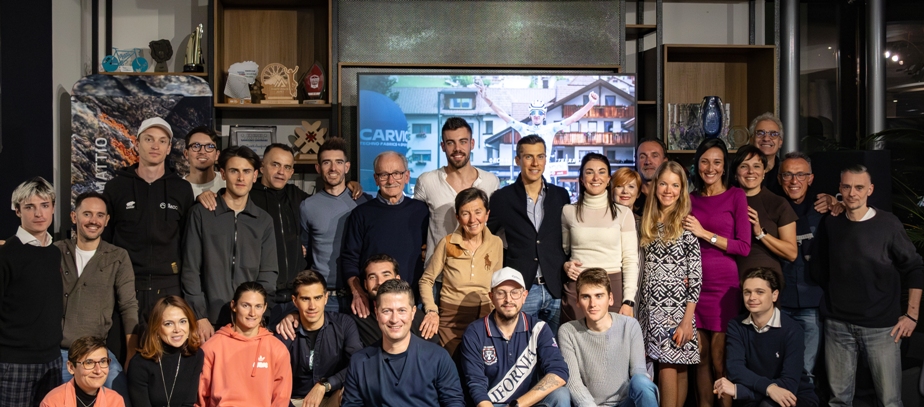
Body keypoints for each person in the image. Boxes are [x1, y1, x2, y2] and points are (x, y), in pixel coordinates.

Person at [810, 165, 922, 407]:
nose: (852, 193)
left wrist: (912, 315)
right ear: (840, 189)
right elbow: (821, 267)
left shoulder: (888, 224)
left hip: (882, 328)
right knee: (838, 401)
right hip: (838, 326)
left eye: (859, 187)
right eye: (847, 187)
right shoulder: (832, 223)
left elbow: (914, 268)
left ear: (870, 190)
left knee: (889, 401)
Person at [102, 117, 195, 322]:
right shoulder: (116, 188)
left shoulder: (181, 189)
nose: (155, 146)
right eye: (149, 139)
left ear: (169, 148)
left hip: (169, 286)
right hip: (124, 285)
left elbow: (188, 241)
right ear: (137, 144)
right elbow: (105, 240)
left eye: (162, 141)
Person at [182, 146, 278, 341]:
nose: (241, 178)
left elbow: (268, 273)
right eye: (234, 171)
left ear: (255, 175)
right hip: (209, 321)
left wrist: (258, 314)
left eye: (247, 171)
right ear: (223, 174)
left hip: (249, 321)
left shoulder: (263, 220)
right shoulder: (201, 214)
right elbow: (190, 270)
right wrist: (199, 315)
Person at [684, 138, 751, 407]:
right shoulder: (690, 200)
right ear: (697, 164)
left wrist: (705, 234)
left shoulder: (736, 196)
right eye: (704, 161)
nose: (710, 168)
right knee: (699, 357)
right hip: (694, 286)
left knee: (719, 357)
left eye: (717, 162)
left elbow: (743, 246)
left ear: (725, 167)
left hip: (724, 287)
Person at [487, 135, 570, 333]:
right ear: (518, 160)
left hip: (555, 288)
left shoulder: (560, 195)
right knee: (520, 345)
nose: (535, 163)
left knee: (554, 347)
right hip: (522, 289)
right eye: (528, 157)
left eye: (540, 156)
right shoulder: (502, 198)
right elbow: (486, 236)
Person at [56, 192, 138, 391]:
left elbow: (128, 306)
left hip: (97, 353)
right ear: (74, 217)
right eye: (87, 214)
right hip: (59, 353)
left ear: (107, 220)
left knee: (120, 395)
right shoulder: (56, 252)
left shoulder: (117, 257)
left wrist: (131, 355)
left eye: (100, 215)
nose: (94, 220)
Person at [637, 161, 702, 407]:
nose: (668, 190)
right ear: (655, 186)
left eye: (675, 185)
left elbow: (695, 276)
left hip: (676, 310)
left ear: (682, 189)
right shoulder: (647, 222)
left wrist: (687, 319)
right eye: (663, 184)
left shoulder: (686, 225)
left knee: (671, 364)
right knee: (674, 366)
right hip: (650, 309)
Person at [342, 279, 465, 407]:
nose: (394, 319)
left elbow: (454, 403)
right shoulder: (359, 362)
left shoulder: (438, 357)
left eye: (401, 310)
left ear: (413, 312)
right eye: (387, 311)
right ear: (377, 313)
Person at [460, 267, 570, 407]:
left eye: (515, 293)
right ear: (491, 297)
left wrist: (516, 405)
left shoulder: (539, 328)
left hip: (525, 403)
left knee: (561, 395)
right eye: (501, 293)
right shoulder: (475, 332)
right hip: (492, 404)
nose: (508, 299)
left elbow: (559, 372)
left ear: (524, 296)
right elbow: (476, 385)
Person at [277, 254, 440, 347]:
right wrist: (295, 314)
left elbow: (435, 361)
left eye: (386, 275)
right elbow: (319, 317)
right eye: (372, 277)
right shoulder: (355, 318)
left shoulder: (418, 318)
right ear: (365, 284)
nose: (380, 282)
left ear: (398, 279)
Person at [714, 268, 819, 407]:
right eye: (747, 292)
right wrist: (769, 388)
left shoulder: (792, 330)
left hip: (794, 396)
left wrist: (741, 391)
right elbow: (735, 369)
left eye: (760, 292)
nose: (752, 297)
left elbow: (789, 383)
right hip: (758, 395)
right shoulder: (736, 326)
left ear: (774, 295)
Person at [341, 151, 429, 317]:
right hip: (372, 306)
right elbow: (349, 259)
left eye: (396, 173)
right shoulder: (361, 214)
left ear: (407, 176)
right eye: (384, 175)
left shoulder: (421, 211)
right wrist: (357, 292)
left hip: (413, 303)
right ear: (376, 179)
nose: (390, 180)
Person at [0, 177, 63, 406]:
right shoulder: (7, 254)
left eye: (44, 205)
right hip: (15, 363)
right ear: (18, 211)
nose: (39, 213)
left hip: (52, 360)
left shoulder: (54, 253)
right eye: (29, 207)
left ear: (53, 208)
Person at [419, 188, 503, 355]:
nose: (472, 220)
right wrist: (431, 310)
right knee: (452, 364)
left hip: (484, 316)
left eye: (478, 212)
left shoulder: (496, 243)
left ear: (487, 214)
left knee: (480, 365)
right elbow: (426, 280)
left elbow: (497, 283)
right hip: (450, 318)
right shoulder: (447, 243)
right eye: (465, 214)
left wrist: (494, 314)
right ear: (457, 217)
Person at [559, 268, 658, 407]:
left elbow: (639, 372)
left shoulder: (629, 325)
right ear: (578, 301)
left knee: (642, 382)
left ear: (610, 299)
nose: (593, 304)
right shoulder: (568, 331)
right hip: (590, 405)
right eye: (586, 297)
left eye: (599, 296)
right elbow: (574, 383)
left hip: (625, 403)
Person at [561, 153, 638, 323]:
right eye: (589, 172)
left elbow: (631, 260)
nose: (596, 177)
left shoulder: (623, 213)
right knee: (573, 338)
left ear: (609, 179)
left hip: (612, 287)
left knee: (612, 338)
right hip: (577, 286)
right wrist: (566, 265)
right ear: (582, 179)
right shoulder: (568, 211)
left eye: (601, 172)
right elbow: (564, 251)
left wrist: (628, 301)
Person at [415, 117, 500, 265]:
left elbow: (495, 227)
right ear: (443, 146)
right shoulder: (427, 181)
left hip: (478, 270)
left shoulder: (491, 181)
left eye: (463, 141)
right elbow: (415, 225)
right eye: (450, 143)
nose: (457, 149)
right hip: (439, 272)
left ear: (472, 144)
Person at [299, 138, 371, 314]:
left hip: (360, 295)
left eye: (338, 162)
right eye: (326, 162)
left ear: (347, 167)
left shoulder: (364, 202)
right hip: (323, 297)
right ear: (318, 168)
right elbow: (305, 252)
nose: (333, 168)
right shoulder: (307, 206)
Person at [275, 270, 363, 407]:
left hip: (331, 396)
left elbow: (357, 364)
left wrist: (325, 385)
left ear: (326, 298)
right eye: (305, 299)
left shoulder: (344, 324)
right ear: (295, 301)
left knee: (352, 392)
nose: (312, 306)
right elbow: (272, 377)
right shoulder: (285, 330)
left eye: (317, 298)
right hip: (294, 401)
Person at [197, 282, 293, 407]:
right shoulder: (212, 347)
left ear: (264, 308)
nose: (252, 313)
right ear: (234, 306)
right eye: (246, 305)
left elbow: (281, 399)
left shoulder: (277, 349)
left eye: (258, 306)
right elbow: (200, 397)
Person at [478, 86, 599, 180]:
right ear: (530, 115)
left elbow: (573, 118)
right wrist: (486, 98)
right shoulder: (523, 128)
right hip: (527, 174)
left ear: (544, 115)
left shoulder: (550, 129)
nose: (537, 115)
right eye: (534, 112)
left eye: (540, 112)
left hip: (544, 175)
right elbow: (502, 114)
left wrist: (591, 103)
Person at [776, 152, 824, 381]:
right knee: (776, 369)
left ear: (810, 178)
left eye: (801, 175)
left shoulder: (823, 211)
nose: (794, 181)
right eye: (788, 175)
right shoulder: (771, 209)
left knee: (806, 372)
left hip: (812, 303)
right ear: (779, 179)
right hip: (778, 303)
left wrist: (838, 203)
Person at [731, 145, 798, 283]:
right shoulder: (726, 201)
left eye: (756, 166)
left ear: (763, 173)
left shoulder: (778, 203)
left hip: (765, 282)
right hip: (728, 279)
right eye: (744, 166)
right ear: (735, 173)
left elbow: (791, 253)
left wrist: (760, 233)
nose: (751, 171)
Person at [127, 296, 204, 407]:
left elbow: (188, 403)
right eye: (168, 323)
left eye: (182, 321)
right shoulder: (139, 364)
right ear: (156, 328)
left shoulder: (196, 355)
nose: (177, 329)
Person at [40, 336, 125, 407]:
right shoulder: (53, 402)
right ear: (71, 367)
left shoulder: (115, 401)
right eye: (89, 363)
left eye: (103, 361)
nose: (98, 370)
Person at [182, 126, 224, 197]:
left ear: (217, 155)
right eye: (195, 146)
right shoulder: (178, 188)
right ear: (186, 154)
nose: (202, 152)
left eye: (209, 146)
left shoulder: (229, 183)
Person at [634, 138, 668, 215]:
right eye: (642, 157)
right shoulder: (627, 197)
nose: (648, 162)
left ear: (665, 161)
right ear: (636, 161)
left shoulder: (673, 197)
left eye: (654, 156)